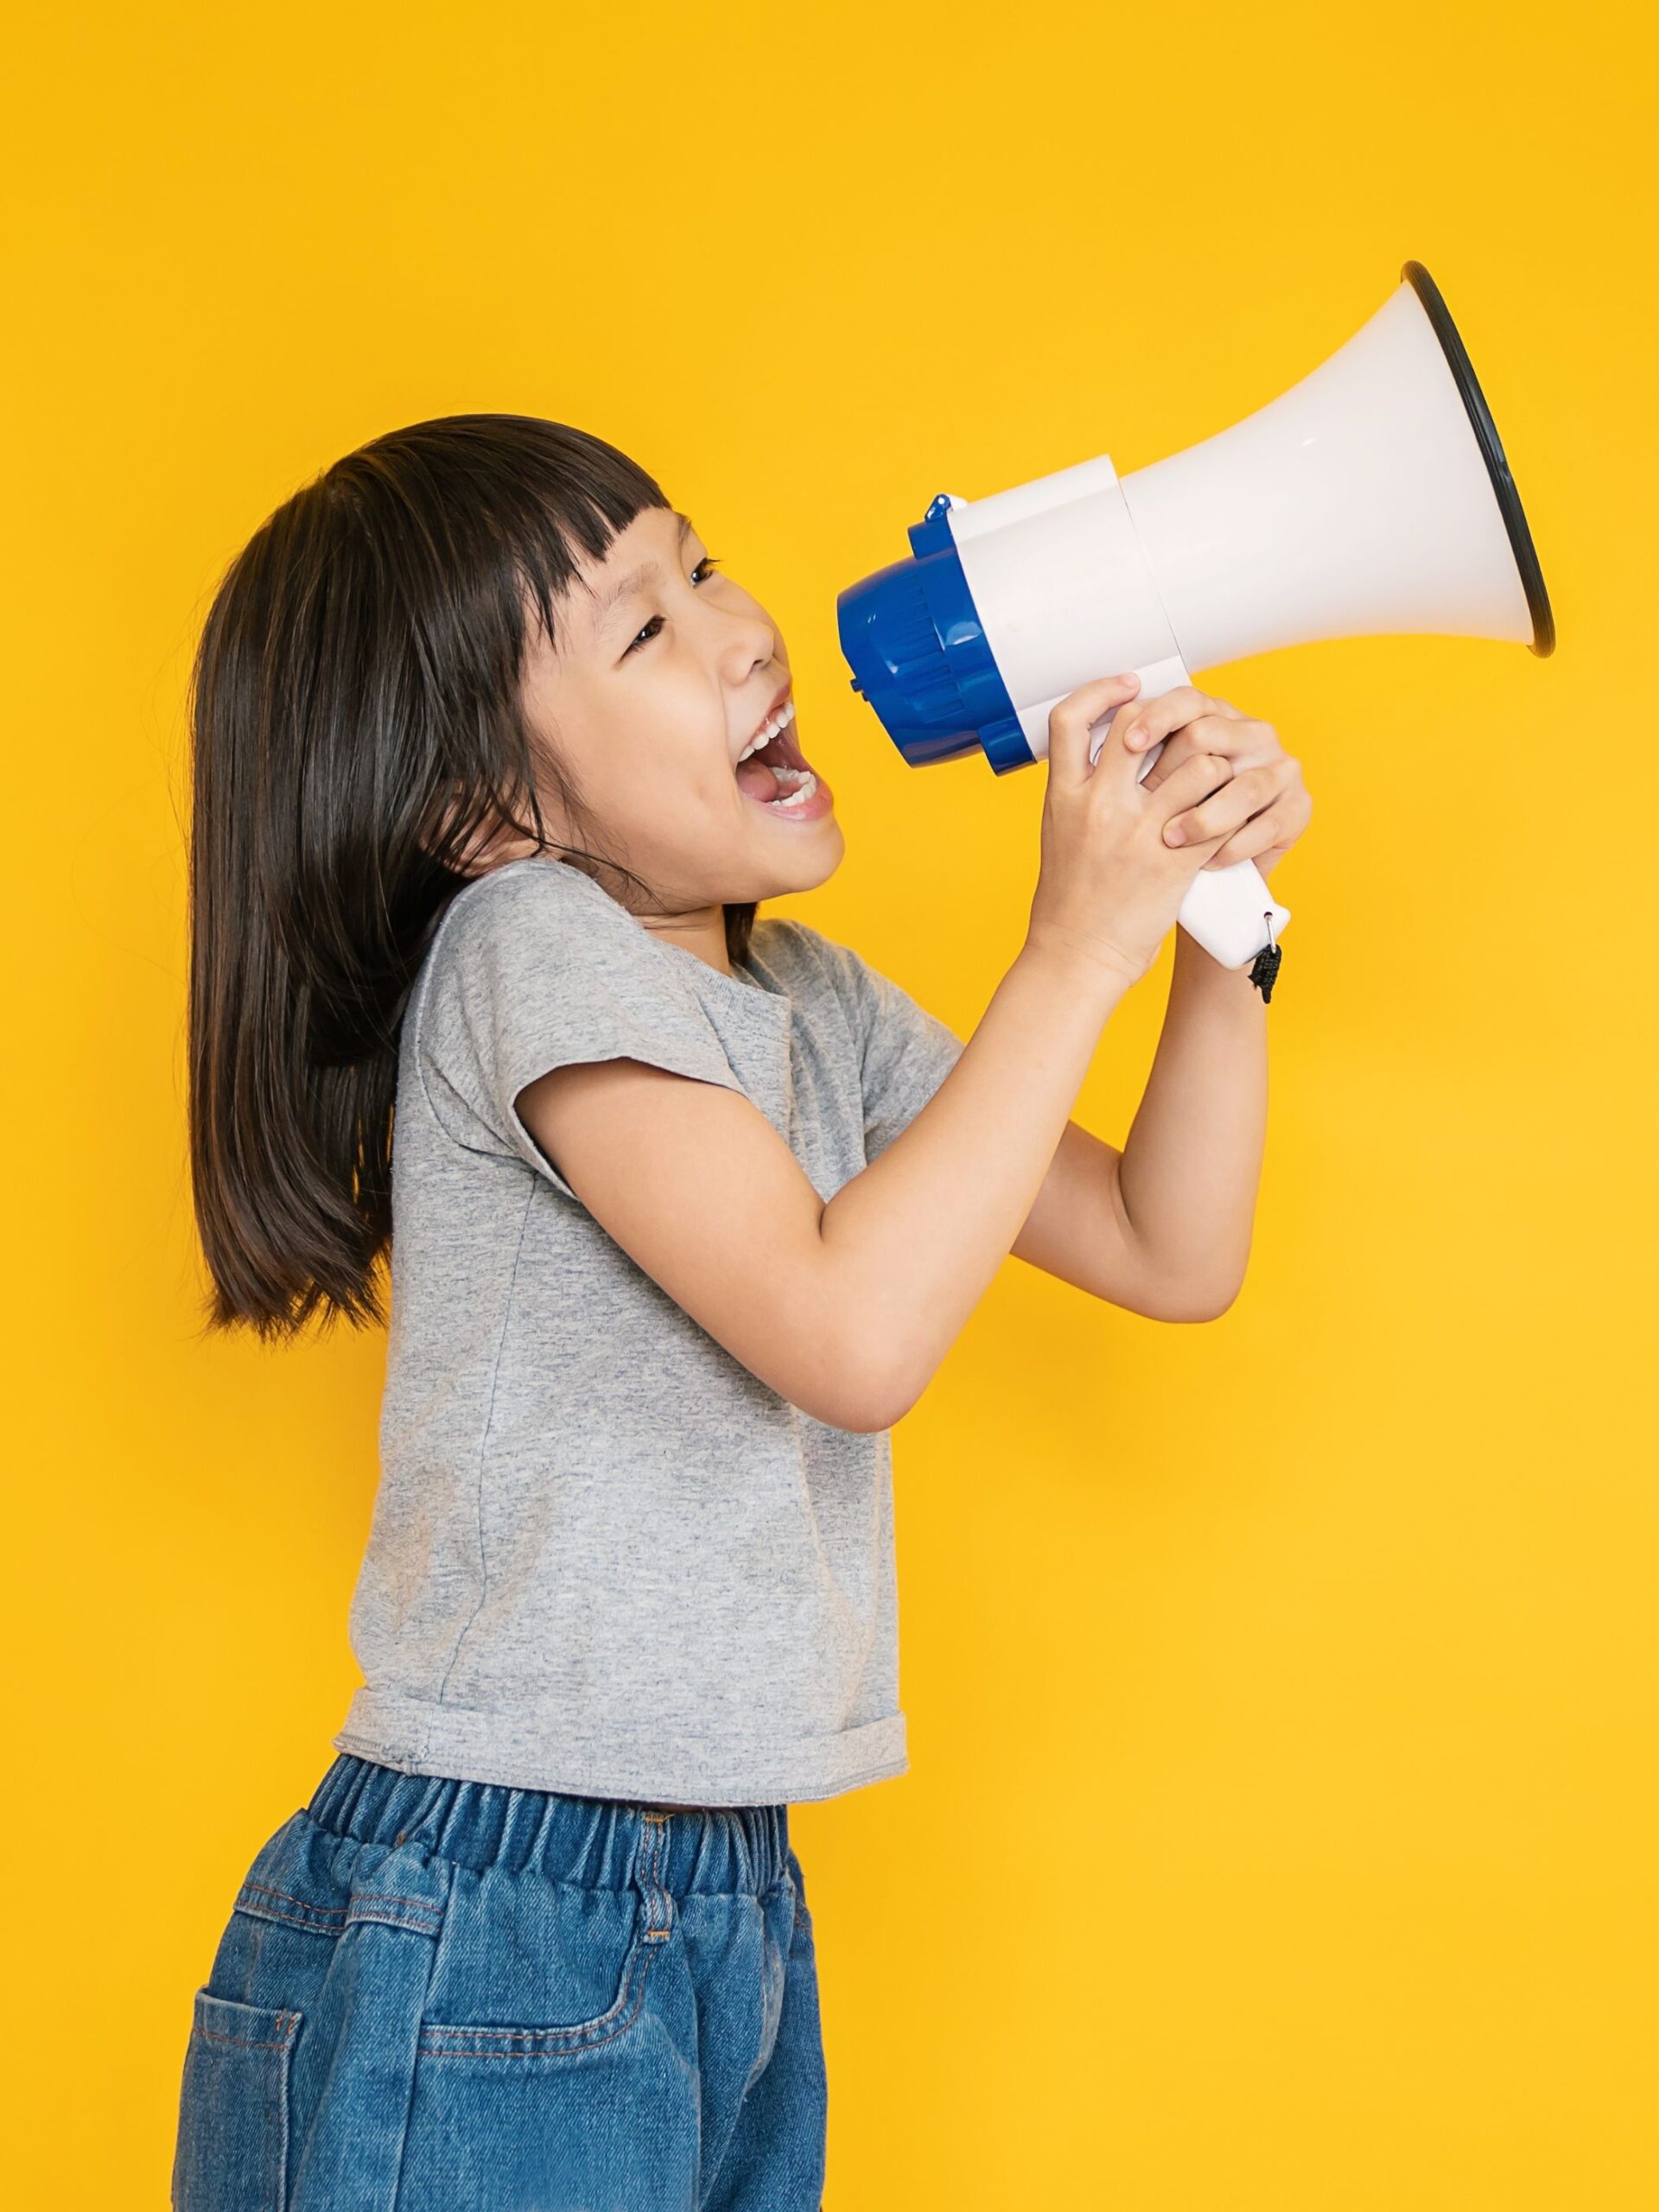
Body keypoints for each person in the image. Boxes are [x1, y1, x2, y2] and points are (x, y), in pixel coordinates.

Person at [169, 414, 1312, 2210]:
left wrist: (1210, 930)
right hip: (498, 1909)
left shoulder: (804, 995)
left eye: (699, 566)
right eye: (643, 628)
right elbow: (849, 1337)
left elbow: (1169, 1244)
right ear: (486, 815)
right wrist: (1070, 947)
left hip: (713, 1889)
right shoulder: (529, 951)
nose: (741, 629)